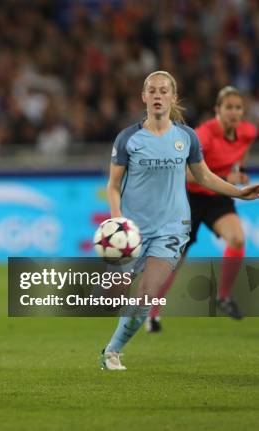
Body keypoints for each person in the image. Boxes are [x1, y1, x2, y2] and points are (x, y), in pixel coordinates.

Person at [100, 71, 259, 371]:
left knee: (146, 295)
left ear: (174, 97)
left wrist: (238, 192)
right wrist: (118, 221)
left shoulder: (186, 137)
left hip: (171, 229)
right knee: (110, 296)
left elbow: (204, 176)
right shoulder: (128, 139)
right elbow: (113, 185)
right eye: (152, 90)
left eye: (164, 91)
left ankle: (112, 352)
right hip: (133, 230)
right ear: (143, 97)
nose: (158, 95)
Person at [146, 86, 256, 331]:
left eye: (238, 108)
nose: (234, 112)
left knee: (237, 239)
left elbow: (239, 156)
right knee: (176, 259)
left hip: (218, 197)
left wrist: (236, 173)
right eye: (229, 107)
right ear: (217, 110)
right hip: (189, 200)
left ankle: (224, 297)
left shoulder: (248, 132)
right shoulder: (203, 136)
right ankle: (152, 313)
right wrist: (226, 176)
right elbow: (184, 173)